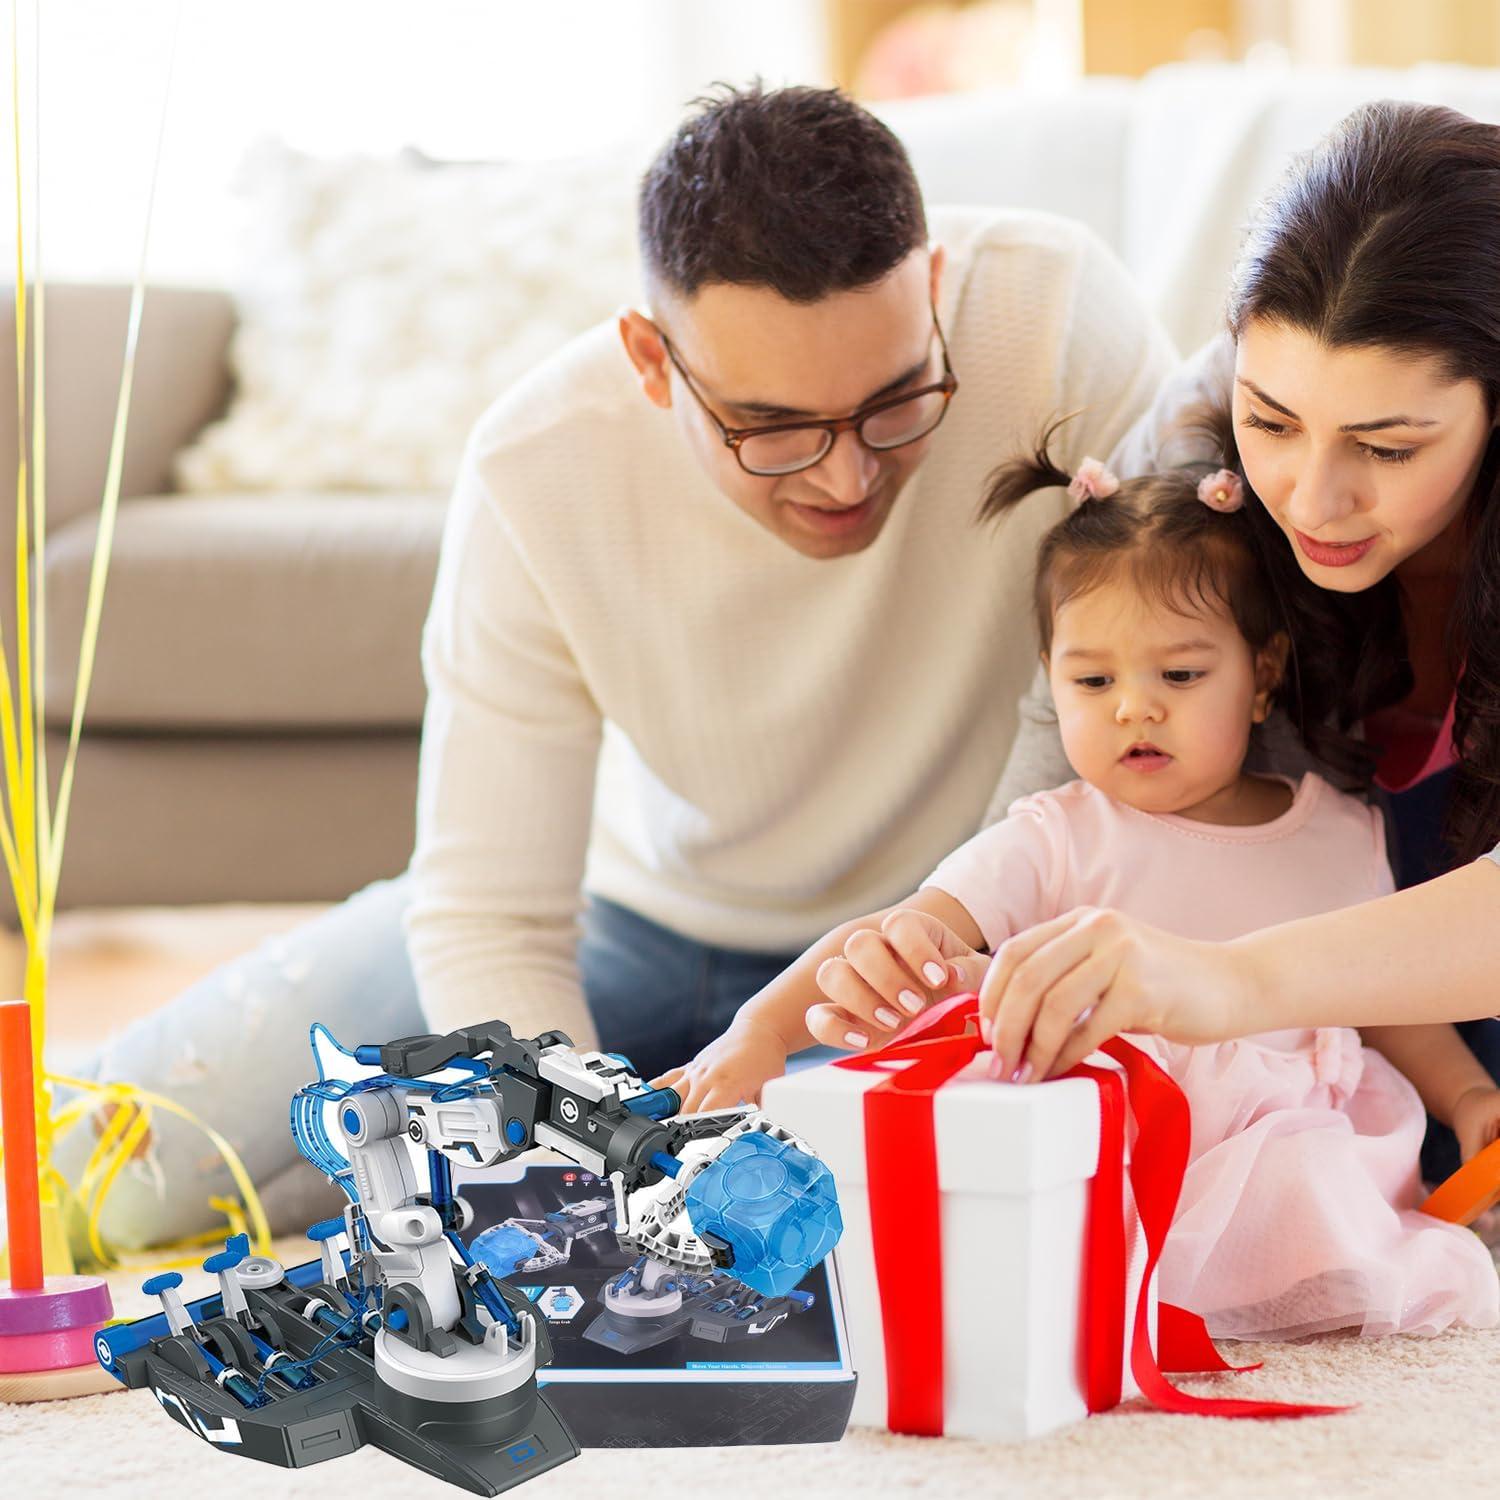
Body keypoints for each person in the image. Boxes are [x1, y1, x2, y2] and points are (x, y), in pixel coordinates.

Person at [58, 83, 1175, 1250]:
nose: (846, 477)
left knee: (809, 1225)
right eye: (773, 428)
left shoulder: (1055, 318)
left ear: (933, 289)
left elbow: (1137, 696)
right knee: (109, 1173)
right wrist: (576, 1173)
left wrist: (933, 964)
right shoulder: (536, 466)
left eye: (895, 403)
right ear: (651, 360)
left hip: (916, 956)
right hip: (628, 920)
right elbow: (492, 913)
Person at [658, 436, 1499, 1338]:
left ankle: (1298, 1289)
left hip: (1307, 1153)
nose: (1135, 706)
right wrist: (760, 1032)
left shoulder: (1339, 829)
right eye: (1094, 680)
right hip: (1110, 1155)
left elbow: (1384, 1002)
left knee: (1342, 1214)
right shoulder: (1055, 835)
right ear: (1052, 681)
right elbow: (892, 938)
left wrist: (1465, 1096)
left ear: (1261, 677)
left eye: (1181, 674)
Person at [945, 101, 1500, 1134]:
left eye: (1387, 448)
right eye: (1272, 424)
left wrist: (1226, 978)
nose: (1312, 500)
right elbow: (1061, 744)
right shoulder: (1203, 436)